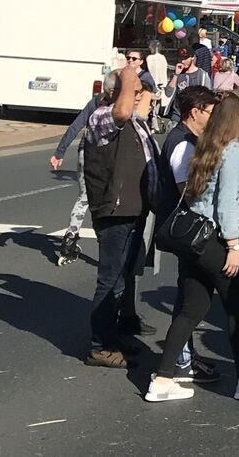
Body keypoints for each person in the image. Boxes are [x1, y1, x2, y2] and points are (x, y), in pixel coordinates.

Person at [144, 90, 239, 403]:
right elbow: (226, 204)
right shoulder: (233, 151)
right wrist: (233, 245)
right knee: (235, 309)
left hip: (193, 237)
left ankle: (163, 379)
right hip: (216, 239)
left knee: (190, 309)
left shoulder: (208, 146)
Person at [83, 65, 159, 368]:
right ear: (114, 91)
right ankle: (100, 345)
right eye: (132, 89)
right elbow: (123, 111)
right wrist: (128, 76)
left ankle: (118, 333)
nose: (137, 94)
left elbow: (140, 104)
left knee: (126, 277)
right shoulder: (103, 116)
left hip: (134, 208)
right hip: (115, 210)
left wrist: (142, 79)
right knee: (110, 279)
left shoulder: (133, 118)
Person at [154, 85, 221, 385]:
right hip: (186, 228)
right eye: (210, 112)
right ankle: (180, 362)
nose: (214, 117)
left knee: (189, 295)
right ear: (195, 112)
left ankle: (182, 357)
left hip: (186, 227)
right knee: (189, 298)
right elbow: (187, 191)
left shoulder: (190, 139)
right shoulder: (182, 144)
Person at [49, 72, 117, 266]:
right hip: (105, 156)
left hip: (84, 152)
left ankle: (70, 240)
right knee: (107, 199)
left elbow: (75, 126)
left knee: (84, 197)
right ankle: (107, 245)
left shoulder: (95, 101)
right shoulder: (117, 107)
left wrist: (59, 153)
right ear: (113, 90)